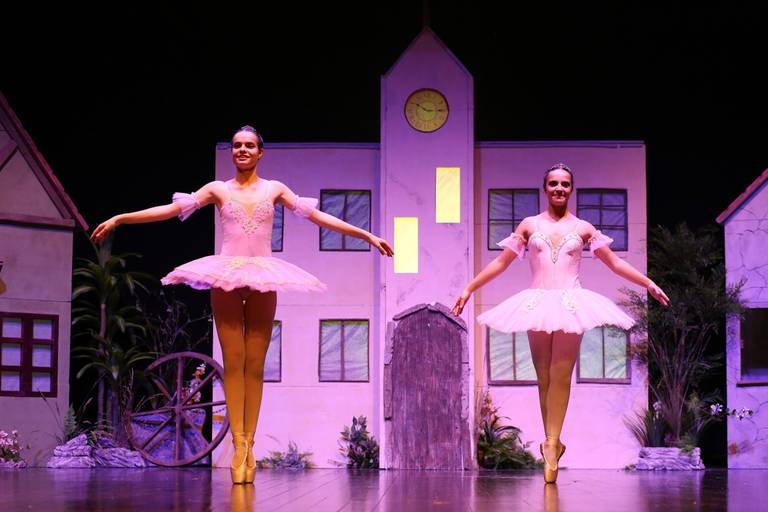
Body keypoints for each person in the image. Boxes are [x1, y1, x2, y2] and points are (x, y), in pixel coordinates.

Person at [91, 126, 393, 484]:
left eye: (249, 145)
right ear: (232, 151)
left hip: (263, 277)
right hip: (227, 278)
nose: (242, 150)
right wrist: (120, 218)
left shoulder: (274, 188)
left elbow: (317, 217)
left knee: (255, 365)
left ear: (260, 152)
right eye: (237, 145)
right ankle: (239, 446)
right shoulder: (217, 189)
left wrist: (366, 234)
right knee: (234, 363)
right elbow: (171, 210)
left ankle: (250, 443)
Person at [451, 163, 668, 484]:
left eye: (565, 184)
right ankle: (551, 441)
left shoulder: (583, 228)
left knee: (561, 372)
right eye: (553, 183)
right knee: (544, 376)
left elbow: (614, 262)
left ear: (571, 189)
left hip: (570, 303)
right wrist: (469, 288)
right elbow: (501, 262)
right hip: (537, 302)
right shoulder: (529, 225)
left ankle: (551, 444)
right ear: (545, 188)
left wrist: (647, 283)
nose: (559, 189)